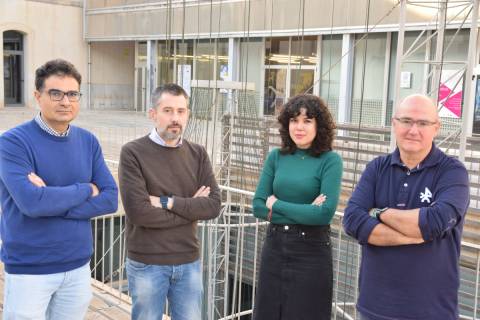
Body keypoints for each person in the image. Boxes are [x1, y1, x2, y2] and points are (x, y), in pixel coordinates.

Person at [0, 59, 118, 319]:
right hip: (29, 270)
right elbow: (32, 203)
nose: (65, 101)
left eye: (72, 94)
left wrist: (51, 202)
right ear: (37, 96)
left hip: (77, 268)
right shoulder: (12, 143)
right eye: (56, 93)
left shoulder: (88, 141)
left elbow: (110, 199)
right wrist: (87, 188)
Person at [343, 94, 470, 320]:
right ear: (394, 123)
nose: (413, 130)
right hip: (374, 309)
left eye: (422, 123)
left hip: (432, 312)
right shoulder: (377, 168)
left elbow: (436, 222)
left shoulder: (452, 172)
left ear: (436, 128)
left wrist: (378, 213)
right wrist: (412, 234)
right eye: (406, 121)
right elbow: (352, 220)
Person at [118, 83, 221, 320]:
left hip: (189, 261)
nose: (175, 118)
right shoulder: (132, 152)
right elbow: (139, 213)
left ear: (188, 115)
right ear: (153, 114)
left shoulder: (198, 154)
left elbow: (213, 205)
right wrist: (191, 208)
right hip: (147, 262)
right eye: (168, 111)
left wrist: (168, 202)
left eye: (181, 111)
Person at [252, 94, 343, 320]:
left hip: (311, 251)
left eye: (307, 121)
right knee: (268, 313)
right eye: (294, 120)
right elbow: (257, 206)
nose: (299, 127)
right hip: (274, 247)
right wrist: (305, 211)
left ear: (319, 125)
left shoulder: (330, 161)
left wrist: (277, 204)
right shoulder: (276, 157)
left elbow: (323, 214)